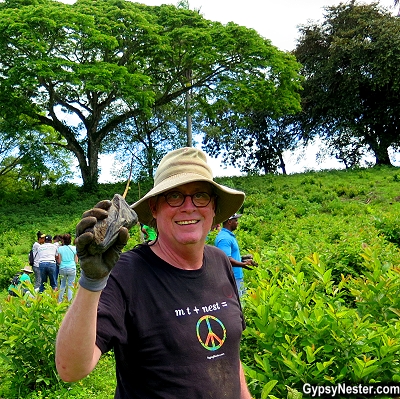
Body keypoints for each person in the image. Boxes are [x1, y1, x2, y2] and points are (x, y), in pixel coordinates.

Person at [56, 147, 253, 399]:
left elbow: (230, 361)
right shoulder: (126, 274)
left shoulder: (219, 261)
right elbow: (71, 369)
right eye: (174, 196)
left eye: (201, 195)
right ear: (155, 208)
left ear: (213, 207)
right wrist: (92, 282)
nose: (189, 207)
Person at [214, 213, 256, 298]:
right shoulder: (225, 239)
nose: (237, 223)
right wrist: (243, 264)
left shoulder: (228, 236)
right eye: (236, 220)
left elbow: (230, 256)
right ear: (229, 222)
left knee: (243, 302)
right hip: (231, 278)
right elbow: (226, 259)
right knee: (238, 304)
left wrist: (242, 258)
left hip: (236, 277)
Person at [58, 233, 78, 302]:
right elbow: (76, 261)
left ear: (63, 240)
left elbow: (59, 261)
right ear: (70, 240)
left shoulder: (60, 248)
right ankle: (70, 301)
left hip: (62, 268)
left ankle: (59, 301)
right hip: (72, 268)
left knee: (62, 284)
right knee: (70, 285)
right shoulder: (74, 248)